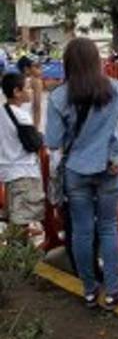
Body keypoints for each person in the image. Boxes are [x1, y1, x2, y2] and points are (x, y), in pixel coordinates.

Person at [45, 38, 118, 309]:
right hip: (109, 168)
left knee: (82, 231)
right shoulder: (115, 88)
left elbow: (53, 141)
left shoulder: (58, 96)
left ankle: (89, 290)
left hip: (75, 171)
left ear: (67, 63)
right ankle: (113, 290)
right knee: (108, 228)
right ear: (96, 61)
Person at [0, 72, 44, 234]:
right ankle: (21, 248)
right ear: (17, 92)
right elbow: (34, 144)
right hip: (24, 172)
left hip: (8, 173)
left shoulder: (2, 112)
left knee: (15, 220)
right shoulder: (21, 116)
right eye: (27, 88)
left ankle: (16, 244)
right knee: (22, 221)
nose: (31, 91)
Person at [16, 55, 43, 129]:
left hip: (15, 120)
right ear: (26, 69)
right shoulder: (36, 82)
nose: (41, 69)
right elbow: (37, 107)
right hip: (28, 121)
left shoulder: (16, 81)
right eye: (37, 67)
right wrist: (36, 128)